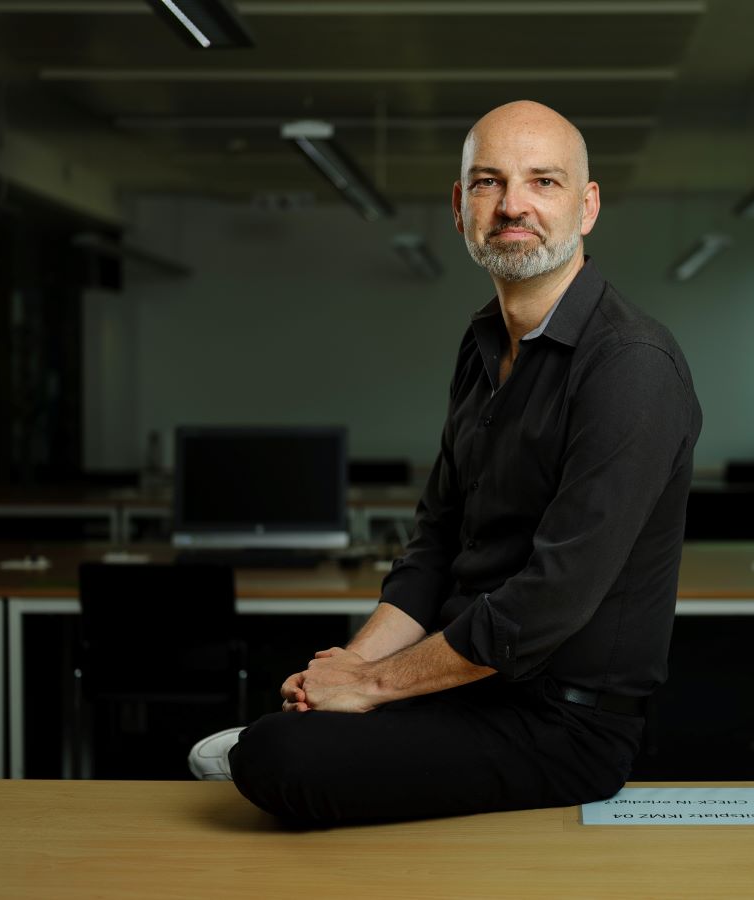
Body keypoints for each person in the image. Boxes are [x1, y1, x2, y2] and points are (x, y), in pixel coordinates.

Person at [189, 100, 702, 826]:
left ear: (587, 208)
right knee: (290, 733)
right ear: (461, 206)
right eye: (489, 182)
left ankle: (292, 744)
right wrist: (345, 672)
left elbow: (548, 601)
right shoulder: (484, 343)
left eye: (544, 182)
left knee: (278, 757)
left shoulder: (630, 365)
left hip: (565, 726)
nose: (513, 204)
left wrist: (368, 688)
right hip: (462, 689)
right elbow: (435, 544)